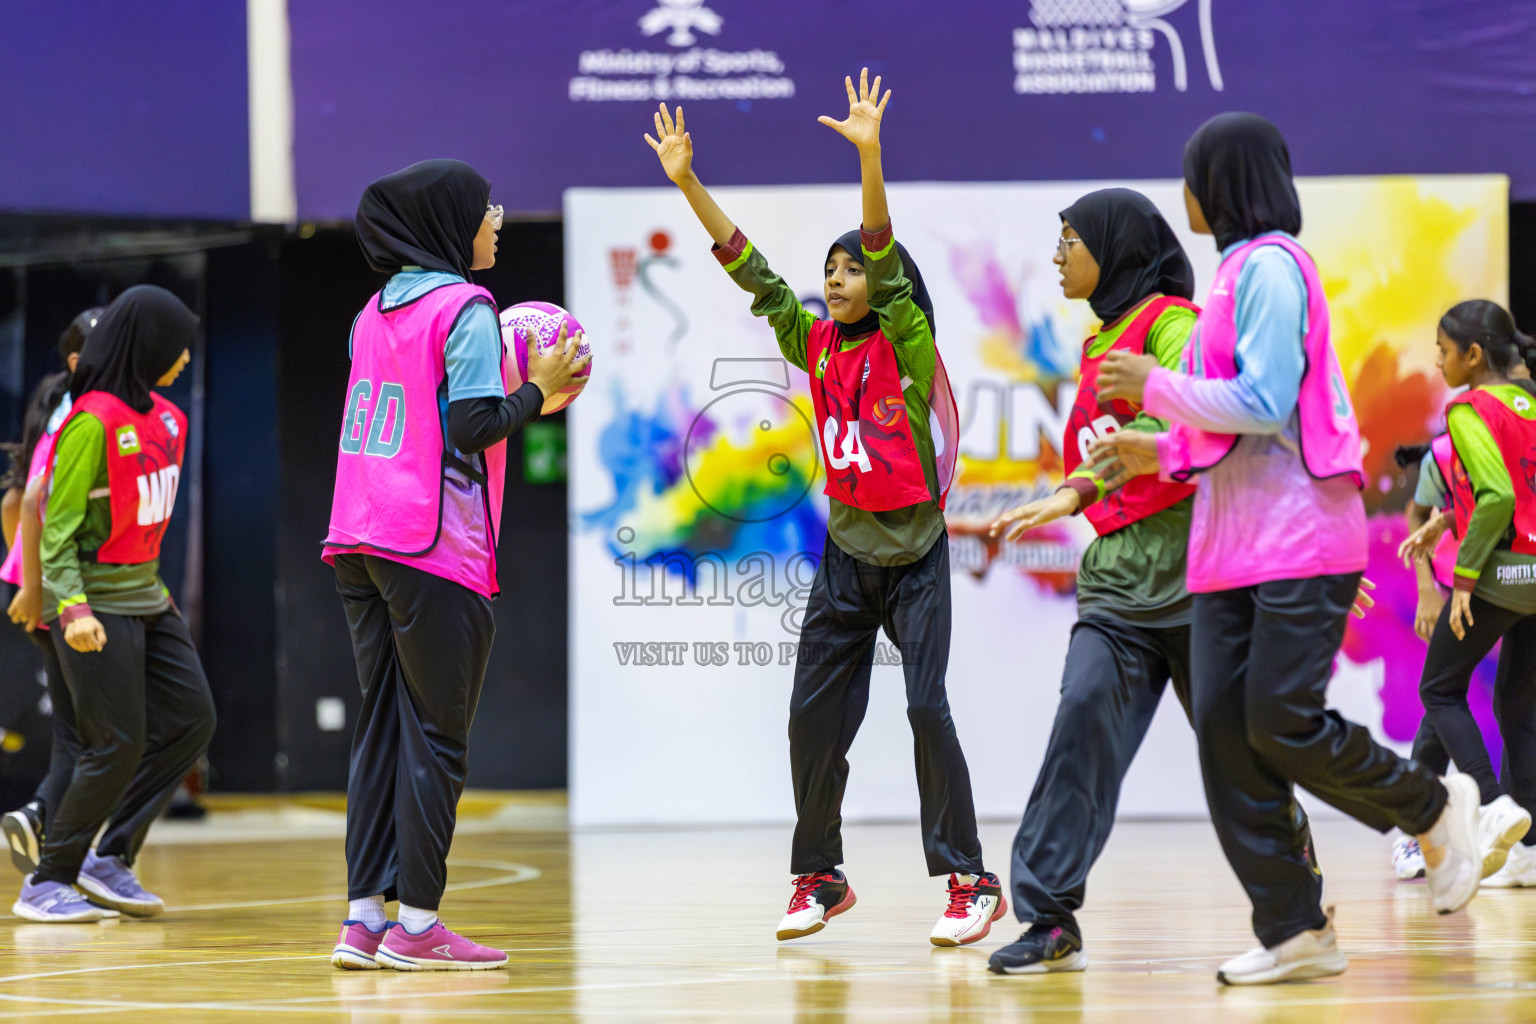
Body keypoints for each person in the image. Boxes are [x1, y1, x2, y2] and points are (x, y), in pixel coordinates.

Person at [1089, 112, 1481, 985]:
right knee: (1227, 743)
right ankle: (1295, 927)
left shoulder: (1270, 268)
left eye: (1191, 174)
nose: (1183, 192)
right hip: (1231, 548)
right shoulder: (1233, 275)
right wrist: (1151, 448)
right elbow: (1219, 426)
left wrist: (1153, 385)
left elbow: (1263, 401)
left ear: (1218, 186)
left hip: (1300, 537)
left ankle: (1431, 804)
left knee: (1279, 721)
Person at [645, 72, 1002, 947]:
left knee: (925, 709)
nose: (837, 278)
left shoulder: (908, 342)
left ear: (884, 286)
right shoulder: (813, 345)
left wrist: (871, 154)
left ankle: (969, 879)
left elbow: (883, 246)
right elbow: (754, 274)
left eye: (853, 269)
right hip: (845, 561)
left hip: (914, 556)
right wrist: (689, 183)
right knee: (811, 717)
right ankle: (819, 876)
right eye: (831, 269)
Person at [324, 159, 587, 971]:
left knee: (379, 729)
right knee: (438, 740)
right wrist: (538, 390)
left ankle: (364, 920)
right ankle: (419, 927)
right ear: (450, 224)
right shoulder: (466, 307)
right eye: (486, 207)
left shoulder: (372, 310)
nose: (498, 218)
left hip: (356, 540)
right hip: (433, 546)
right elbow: (474, 427)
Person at [985, 188, 1206, 973]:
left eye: (1071, 240)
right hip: (1116, 587)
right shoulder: (1101, 342)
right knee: (1080, 724)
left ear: (1115, 248)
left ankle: (1296, 911)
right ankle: (1048, 918)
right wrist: (1076, 487)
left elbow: (1180, 426)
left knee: (1243, 756)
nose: (1056, 255)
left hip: (1199, 583)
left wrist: (1078, 487)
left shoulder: (1176, 326)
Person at [12, 286, 216, 923]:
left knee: (191, 721)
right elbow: (57, 523)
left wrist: (157, 599)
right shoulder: (91, 421)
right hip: (95, 599)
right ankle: (48, 880)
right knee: (114, 743)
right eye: (176, 344)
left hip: (146, 595)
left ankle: (111, 858)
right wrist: (69, 608)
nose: (184, 357)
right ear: (148, 344)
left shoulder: (170, 420)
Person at [1397, 300, 1536, 887]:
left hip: (1502, 575)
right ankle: (1528, 852)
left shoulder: (1469, 409)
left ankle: (1495, 807)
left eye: (1443, 349)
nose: (1437, 360)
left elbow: (1500, 497)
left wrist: (1467, 579)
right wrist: (1445, 522)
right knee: (1520, 709)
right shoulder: (1529, 405)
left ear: (1472, 355)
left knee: (1439, 689)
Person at [2, 309, 99, 874]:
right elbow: (24, 500)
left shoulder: (67, 408)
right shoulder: (78, 415)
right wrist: (30, 582)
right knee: (97, 736)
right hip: (46, 588)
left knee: (78, 730)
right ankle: (50, 830)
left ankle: (53, 834)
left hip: (32, 582)